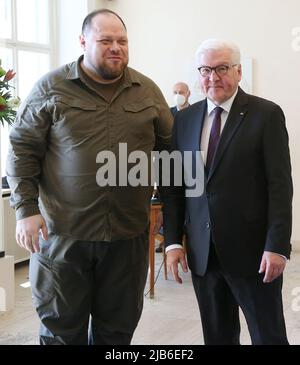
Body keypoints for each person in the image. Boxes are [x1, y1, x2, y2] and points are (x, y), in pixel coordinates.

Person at [6, 9, 173, 345]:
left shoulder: (148, 91)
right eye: (105, 40)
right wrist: (25, 211)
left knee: (118, 331)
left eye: (122, 41)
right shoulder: (51, 88)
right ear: (83, 42)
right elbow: (22, 150)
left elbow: (169, 153)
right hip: (63, 237)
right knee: (61, 331)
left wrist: (170, 213)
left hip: (128, 237)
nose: (116, 47)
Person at [163, 38, 293, 345]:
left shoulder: (266, 114)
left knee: (268, 335)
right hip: (203, 255)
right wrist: (172, 243)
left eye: (222, 68)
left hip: (254, 255)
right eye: (205, 69)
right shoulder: (184, 119)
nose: (213, 77)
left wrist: (277, 246)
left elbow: (279, 186)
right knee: (217, 337)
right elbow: (174, 188)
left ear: (237, 71)